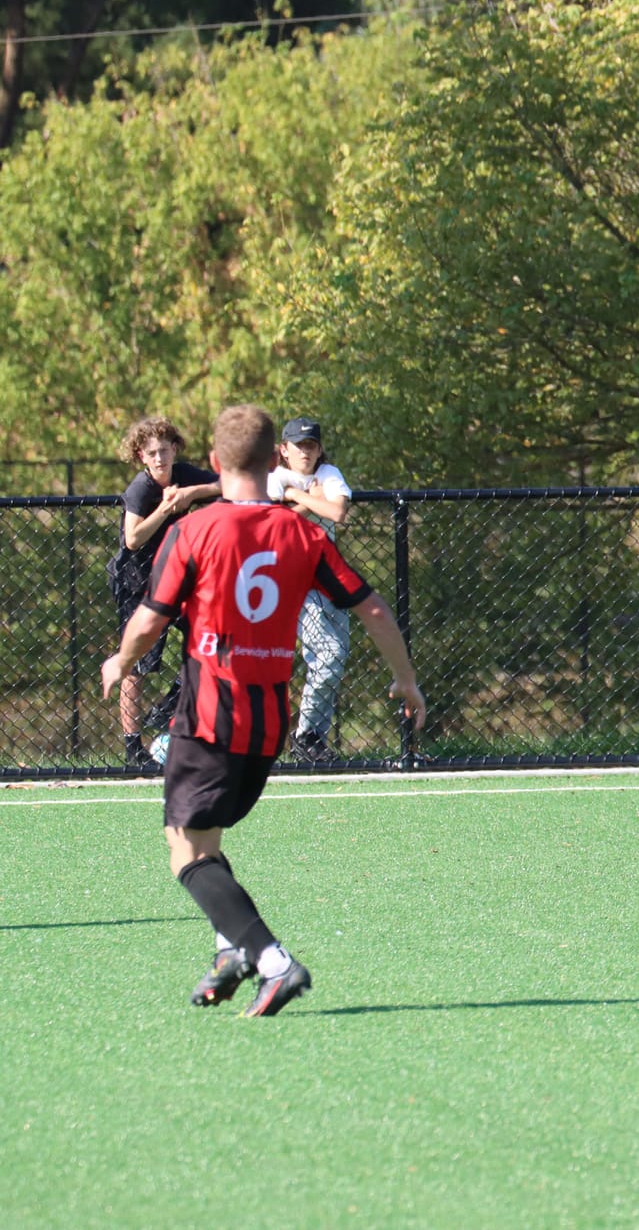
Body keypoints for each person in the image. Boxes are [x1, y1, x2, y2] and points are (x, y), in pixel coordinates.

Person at [100, 405, 426, 1017]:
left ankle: (271, 960)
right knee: (206, 839)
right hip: (269, 724)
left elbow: (149, 620)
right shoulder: (301, 532)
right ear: (275, 458)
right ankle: (231, 951)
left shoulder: (194, 531)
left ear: (217, 465)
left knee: (184, 851)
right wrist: (407, 681)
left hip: (207, 717)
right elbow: (375, 610)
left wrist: (120, 661)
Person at [108, 416, 221, 772]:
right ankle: (133, 747)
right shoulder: (141, 489)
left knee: (207, 642)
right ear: (142, 456)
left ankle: (170, 705)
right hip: (137, 584)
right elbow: (133, 538)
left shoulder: (185, 475)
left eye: (164, 450)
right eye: (152, 453)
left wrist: (191, 494)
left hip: (179, 581)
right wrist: (166, 508)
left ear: (175, 448)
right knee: (138, 665)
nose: (159, 458)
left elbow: (231, 485)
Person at [267, 416, 353, 762]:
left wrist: (296, 500)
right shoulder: (275, 480)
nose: (306, 451)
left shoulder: (329, 474)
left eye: (312, 445)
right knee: (325, 656)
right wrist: (301, 497)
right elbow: (271, 531)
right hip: (288, 580)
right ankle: (306, 737)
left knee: (335, 657)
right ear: (284, 450)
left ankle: (312, 738)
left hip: (327, 577)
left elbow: (337, 512)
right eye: (299, 445)